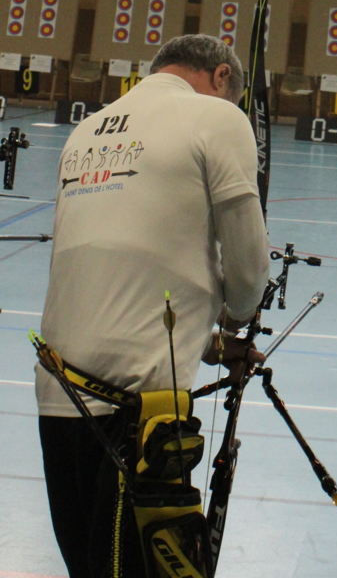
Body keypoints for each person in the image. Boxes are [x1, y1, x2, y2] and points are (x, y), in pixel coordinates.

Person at [36, 35, 271, 578]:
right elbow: (248, 274)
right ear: (220, 76)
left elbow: (118, 270)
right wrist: (239, 310)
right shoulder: (218, 117)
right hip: (137, 410)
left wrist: (208, 344)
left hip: (58, 397)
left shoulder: (87, 129)